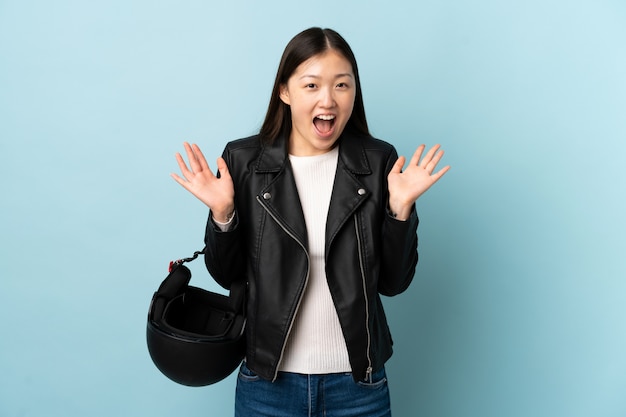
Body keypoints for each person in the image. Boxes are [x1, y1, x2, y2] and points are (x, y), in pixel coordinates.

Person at [171, 27, 449, 417]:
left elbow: (394, 283)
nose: (328, 99)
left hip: (358, 386)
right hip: (268, 383)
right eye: (312, 85)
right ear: (285, 91)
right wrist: (224, 216)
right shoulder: (244, 162)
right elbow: (226, 274)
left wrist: (399, 210)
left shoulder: (378, 163)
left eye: (342, 85)